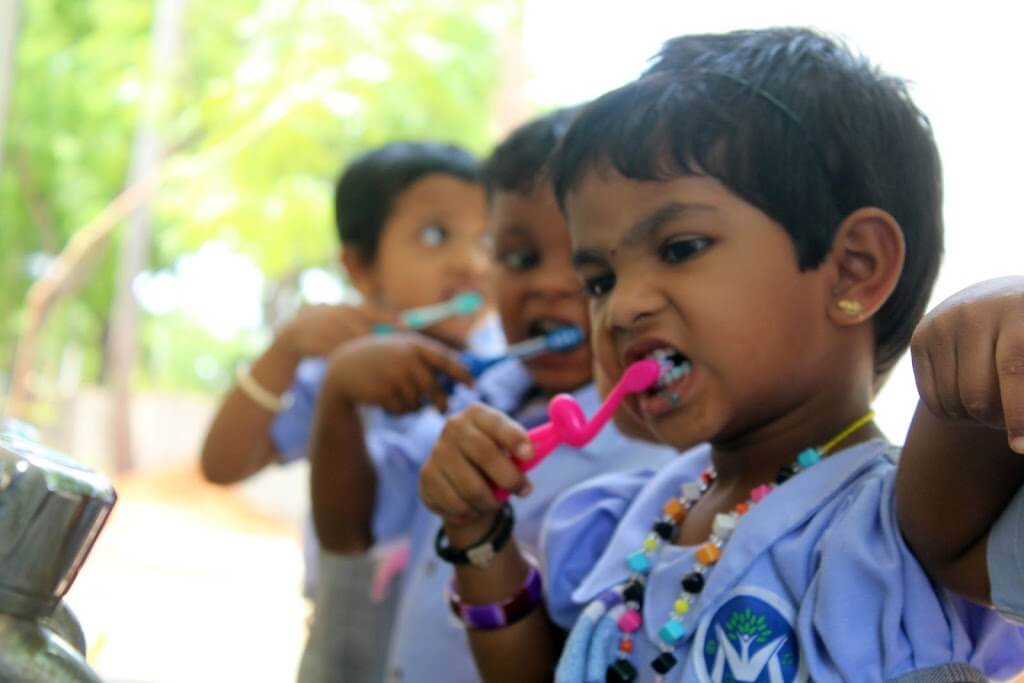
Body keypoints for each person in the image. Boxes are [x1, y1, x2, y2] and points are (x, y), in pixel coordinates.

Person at [417, 28, 1024, 682]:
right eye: (599, 280)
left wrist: (999, 316)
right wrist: (480, 536)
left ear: (854, 269)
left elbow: (963, 455)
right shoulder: (625, 522)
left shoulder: (918, 519)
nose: (620, 308)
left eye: (679, 248)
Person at [309, 108, 677, 682]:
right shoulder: (469, 397)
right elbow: (349, 534)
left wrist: (485, 544)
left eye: (590, 265)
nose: (550, 284)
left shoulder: (657, 454)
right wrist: (339, 397)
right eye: (519, 257)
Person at [198, 141, 496, 683]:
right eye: (436, 236)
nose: (472, 263)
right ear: (359, 267)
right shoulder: (332, 372)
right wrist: (284, 351)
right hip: (344, 637)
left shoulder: (506, 373)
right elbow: (222, 465)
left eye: (489, 240)